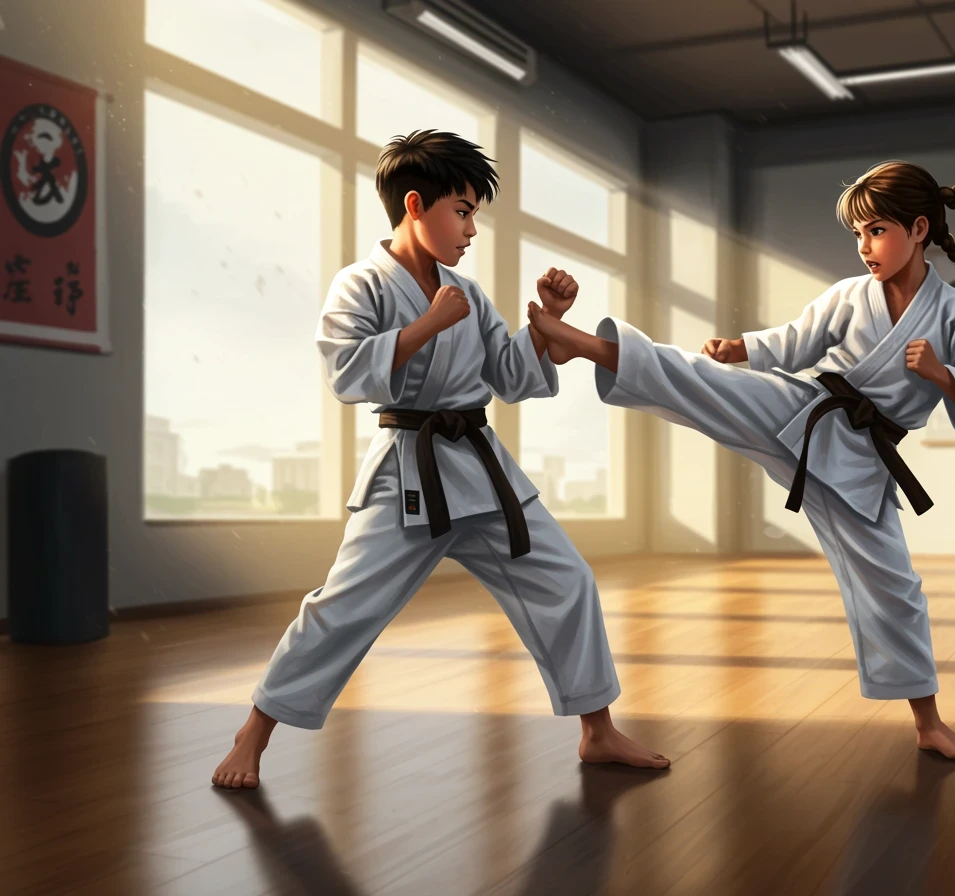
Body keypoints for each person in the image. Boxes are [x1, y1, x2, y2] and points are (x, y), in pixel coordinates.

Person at [524, 142, 955, 761]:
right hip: (804, 415)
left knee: (894, 586)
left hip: (862, 463)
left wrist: (943, 376)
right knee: (705, 383)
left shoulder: (952, 314)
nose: (865, 246)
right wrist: (743, 350)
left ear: (919, 229)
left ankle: (927, 722)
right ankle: (581, 345)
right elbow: (797, 342)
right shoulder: (850, 295)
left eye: (877, 230)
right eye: (859, 234)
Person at [213, 130, 669, 789]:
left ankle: (597, 731)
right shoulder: (361, 283)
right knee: (343, 606)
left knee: (566, 579)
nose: (472, 229)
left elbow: (509, 376)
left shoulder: (468, 293)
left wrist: (548, 323)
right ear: (415, 206)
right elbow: (345, 373)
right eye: (462, 211)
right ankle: (252, 733)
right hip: (409, 471)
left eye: (474, 213)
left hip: (481, 470)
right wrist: (426, 324)